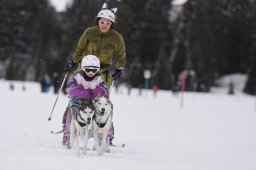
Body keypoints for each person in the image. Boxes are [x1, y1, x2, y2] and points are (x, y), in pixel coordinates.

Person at [64, 3, 126, 145]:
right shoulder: (89, 32)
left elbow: (121, 53)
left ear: (112, 24)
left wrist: (120, 68)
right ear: (97, 21)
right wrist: (73, 61)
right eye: (102, 22)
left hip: (103, 71)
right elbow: (80, 48)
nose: (104, 25)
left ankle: (106, 134)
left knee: (102, 101)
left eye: (108, 23)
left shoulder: (116, 37)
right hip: (84, 69)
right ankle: (68, 130)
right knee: (75, 99)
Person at [62, 55, 108, 146]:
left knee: (102, 112)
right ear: (83, 68)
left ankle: (101, 135)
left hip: (92, 103)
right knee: (70, 111)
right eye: (88, 70)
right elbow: (70, 90)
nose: (91, 72)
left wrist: (95, 88)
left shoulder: (99, 79)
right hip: (78, 102)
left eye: (94, 70)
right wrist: (83, 87)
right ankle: (68, 133)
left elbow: (104, 92)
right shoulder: (78, 77)